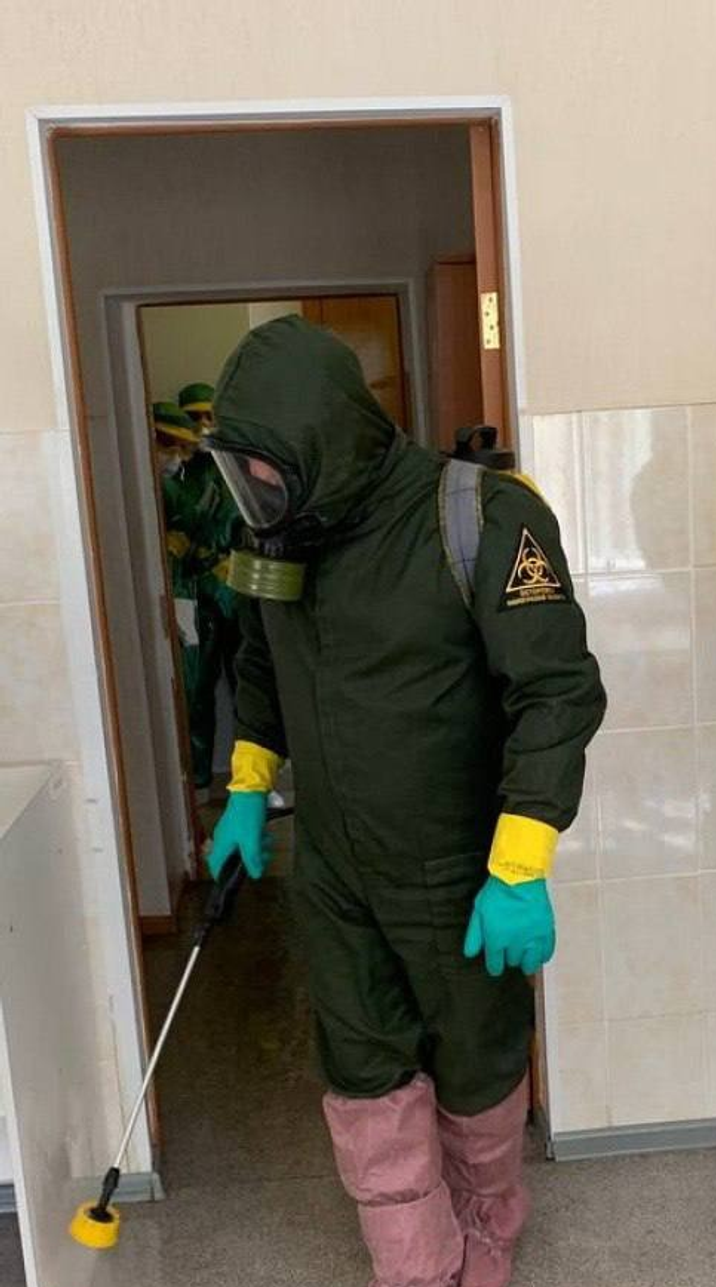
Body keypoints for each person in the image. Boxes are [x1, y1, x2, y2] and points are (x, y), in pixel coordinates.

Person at [201, 316, 605, 1287]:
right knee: (364, 1073)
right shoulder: (280, 534)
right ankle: (416, 1266)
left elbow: (555, 692)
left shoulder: (481, 519)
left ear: (324, 440)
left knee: (476, 1069)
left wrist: (520, 864)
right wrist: (247, 789)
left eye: (265, 466)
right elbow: (260, 665)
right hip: (333, 868)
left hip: (459, 867)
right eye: (239, 468)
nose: (252, 487)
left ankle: (486, 1232)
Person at [153, 399, 241, 794]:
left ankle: (257, 775)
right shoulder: (165, 486)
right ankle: (197, 781)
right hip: (185, 593)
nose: (176, 455)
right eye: (169, 445)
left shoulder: (224, 471)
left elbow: (232, 523)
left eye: (181, 448)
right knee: (193, 688)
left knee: (247, 680)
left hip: (224, 587)